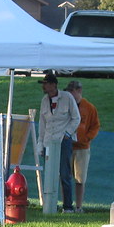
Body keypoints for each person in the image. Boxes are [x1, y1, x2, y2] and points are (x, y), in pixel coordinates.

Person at [37, 73, 80, 213]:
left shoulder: (67, 97)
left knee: (64, 174)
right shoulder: (44, 100)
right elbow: (42, 124)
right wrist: (40, 143)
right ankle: (49, 204)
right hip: (49, 141)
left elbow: (76, 118)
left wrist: (68, 133)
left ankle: (67, 206)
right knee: (50, 173)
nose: (44, 86)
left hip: (63, 141)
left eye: (46, 83)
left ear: (54, 85)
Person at [65, 80, 100, 213]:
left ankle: (79, 206)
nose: (70, 94)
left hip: (82, 148)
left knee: (80, 178)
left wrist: (87, 138)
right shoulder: (67, 106)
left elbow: (95, 126)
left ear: (79, 91)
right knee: (66, 176)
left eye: (72, 91)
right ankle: (66, 204)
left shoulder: (89, 107)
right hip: (68, 145)